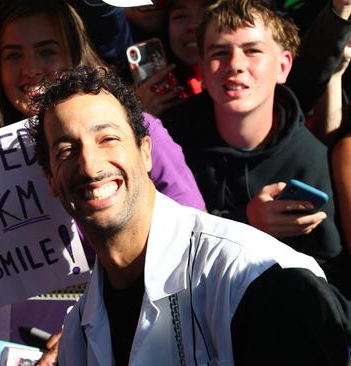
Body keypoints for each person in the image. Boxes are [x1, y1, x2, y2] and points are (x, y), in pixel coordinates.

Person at [29, 64, 349, 365]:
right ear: (51, 180)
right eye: (66, 151)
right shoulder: (76, 336)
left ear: (145, 152)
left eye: (108, 139)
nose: (90, 165)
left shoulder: (258, 276)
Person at [0, 0, 206, 211]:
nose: (30, 69)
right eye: (13, 55)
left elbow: (193, 228)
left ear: (75, 55)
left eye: (46, 51)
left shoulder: (139, 130)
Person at [161, 0, 351, 298]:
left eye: (253, 51)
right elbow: (154, 246)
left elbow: (335, 280)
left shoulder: (310, 158)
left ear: (283, 66)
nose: (235, 64)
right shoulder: (170, 144)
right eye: (219, 52)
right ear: (203, 67)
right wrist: (246, 222)